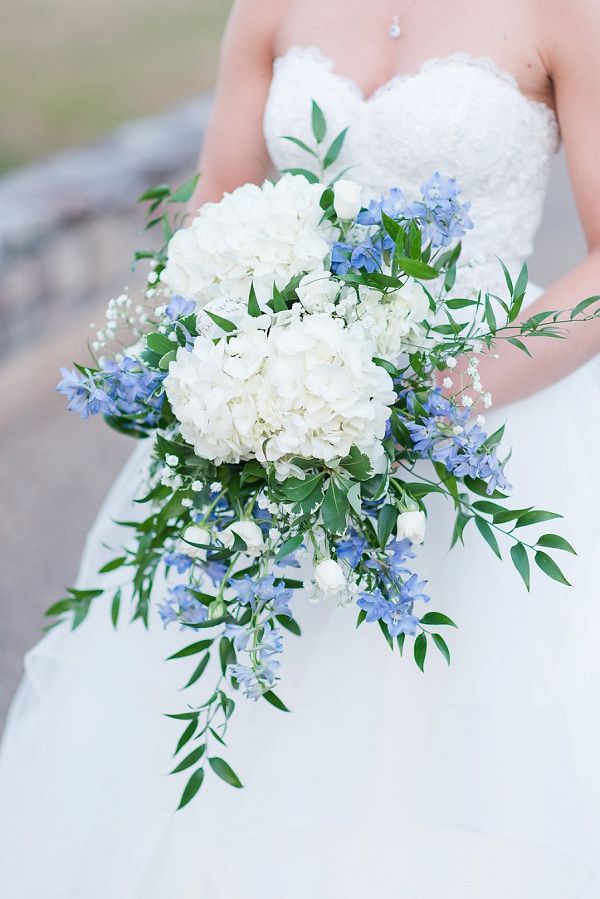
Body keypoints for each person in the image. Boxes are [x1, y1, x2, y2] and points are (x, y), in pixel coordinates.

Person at [1, 1, 599, 895]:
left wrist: (441, 396)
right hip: (280, 430)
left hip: (492, 426)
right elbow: (217, 206)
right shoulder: (271, 5)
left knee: (453, 767)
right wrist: (248, 377)